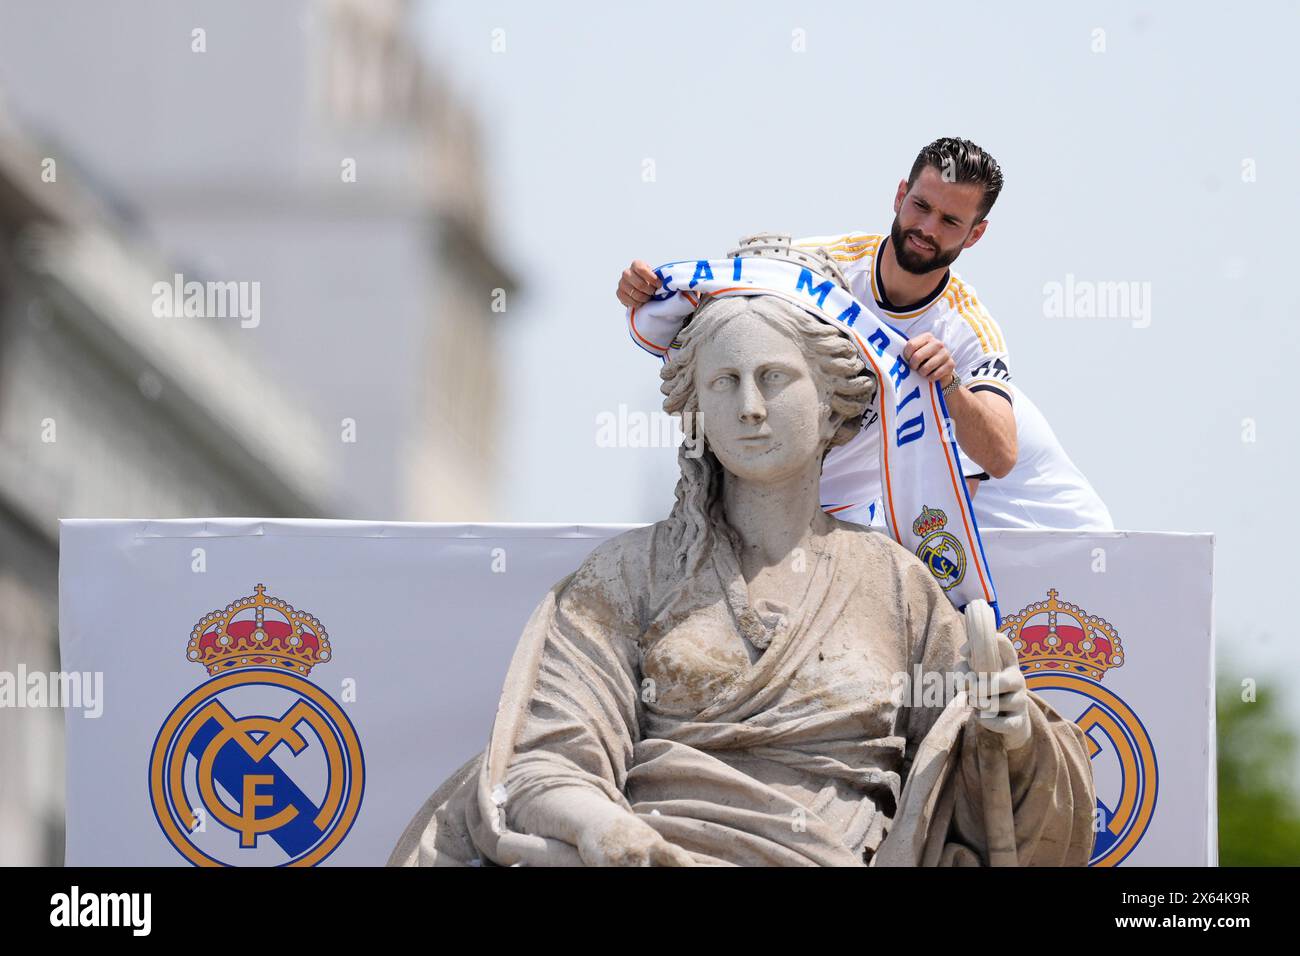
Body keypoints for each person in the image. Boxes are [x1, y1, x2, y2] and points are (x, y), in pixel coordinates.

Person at [390, 276, 1095, 867]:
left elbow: (980, 782)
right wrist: (601, 828)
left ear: (830, 407)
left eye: (774, 378)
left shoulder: (897, 585)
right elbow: (544, 762)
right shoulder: (629, 576)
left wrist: (1011, 732)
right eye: (724, 383)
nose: (750, 407)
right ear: (696, 408)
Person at [617, 137, 1113, 532]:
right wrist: (644, 291)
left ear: (975, 234)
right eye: (920, 206)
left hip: (864, 515)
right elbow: (707, 325)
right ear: (900, 195)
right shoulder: (817, 269)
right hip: (772, 497)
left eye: (949, 220)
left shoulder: (966, 329)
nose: (926, 227)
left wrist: (951, 387)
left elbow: (1000, 455)